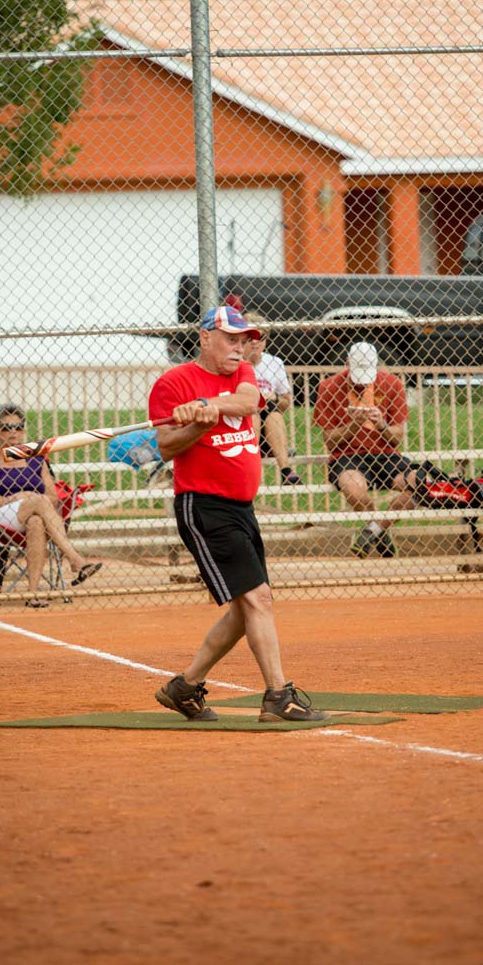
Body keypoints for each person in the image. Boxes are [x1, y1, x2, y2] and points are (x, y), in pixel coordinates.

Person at [148, 305, 327, 723]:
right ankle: (278, 696)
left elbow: (248, 402)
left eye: (244, 340)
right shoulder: (172, 383)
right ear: (205, 337)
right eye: (231, 339)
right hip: (204, 505)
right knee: (258, 599)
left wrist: (206, 405)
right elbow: (167, 446)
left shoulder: (242, 372)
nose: (240, 347)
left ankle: (184, 687)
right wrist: (196, 423)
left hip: (241, 507)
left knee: (245, 611)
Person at [0, 403, 102, 608]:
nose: (13, 431)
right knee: (37, 500)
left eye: (18, 426)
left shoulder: (37, 460)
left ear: (24, 430)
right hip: (3, 516)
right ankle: (75, 559)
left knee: (36, 521)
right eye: (6, 427)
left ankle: (32, 593)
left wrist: (32, 500)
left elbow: (53, 497)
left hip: (38, 514)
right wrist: (19, 497)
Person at [313, 342, 415, 558]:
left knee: (419, 482)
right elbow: (329, 441)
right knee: (352, 487)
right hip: (347, 455)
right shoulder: (329, 386)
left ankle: (373, 530)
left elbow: (397, 437)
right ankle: (379, 532)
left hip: (386, 454)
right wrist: (354, 425)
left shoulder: (392, 383)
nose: (361, 383)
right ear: (347, 363)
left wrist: (381, 425)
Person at [242, 313, 302, 485]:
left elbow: (286, 401)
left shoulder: (275, 363)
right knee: (253, 414)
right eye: (250, 337)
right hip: (242, 427)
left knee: (274, 415)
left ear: (266, 339)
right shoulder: (235, 363)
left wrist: (273, 397)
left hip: (270, 433)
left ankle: (286, 471)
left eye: (261, 337)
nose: (255, 342)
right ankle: (248, 471)